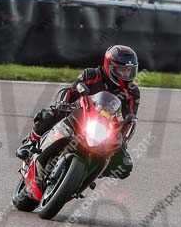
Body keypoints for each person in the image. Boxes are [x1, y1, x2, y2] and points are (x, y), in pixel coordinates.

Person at [16, 45, 140, 180]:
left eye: (129, 70)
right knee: (47, 115)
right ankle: (30, 143)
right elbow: (69, 91)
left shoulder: (132, 92)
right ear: (109, 66)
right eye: (122, 70)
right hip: (79, 115)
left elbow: (131, 118)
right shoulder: (92, 75)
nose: (126, 74)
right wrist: (63, 104)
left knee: (125, 165)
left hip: (105, 129)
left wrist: (123, 138)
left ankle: (89, 173)